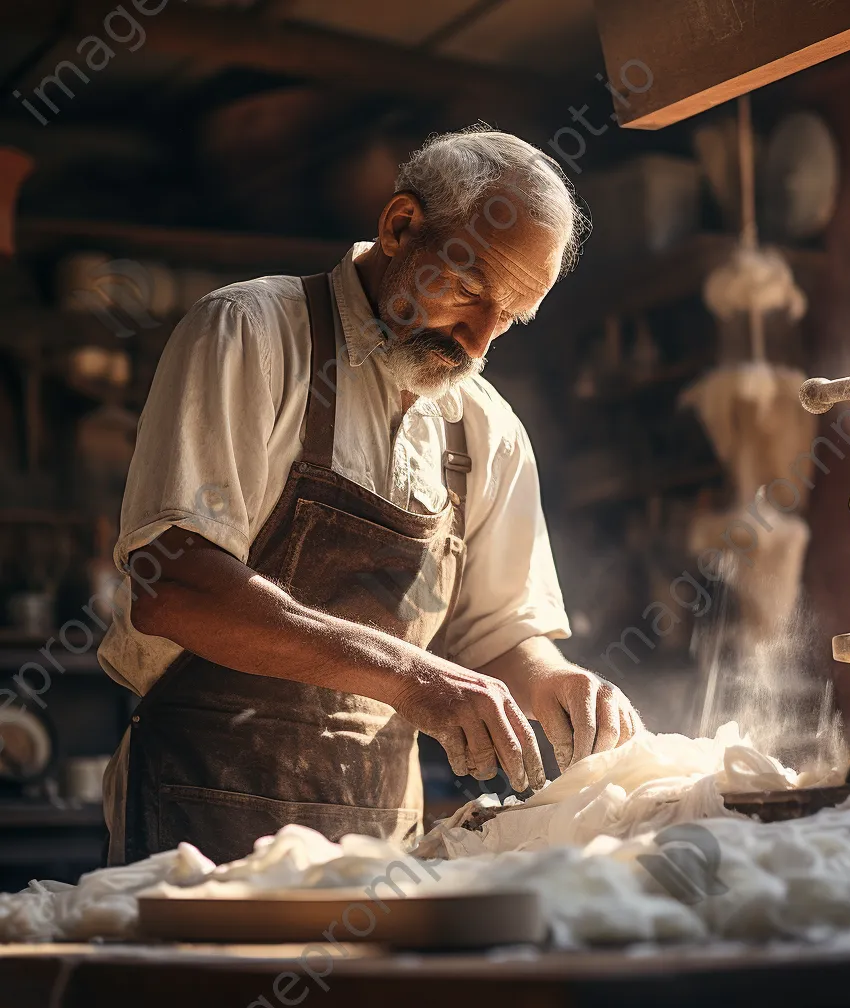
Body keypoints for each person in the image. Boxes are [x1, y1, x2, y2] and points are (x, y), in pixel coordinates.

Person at [98, 127, 642, 865]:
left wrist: (558, 682)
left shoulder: (488, 430)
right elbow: (177, 588)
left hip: (377, 840)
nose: (479, 343)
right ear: (400, 227)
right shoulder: (251, 333)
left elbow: (499, 637)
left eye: (509, 317)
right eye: (470, 290)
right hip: (201, 820)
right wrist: (413, 677)